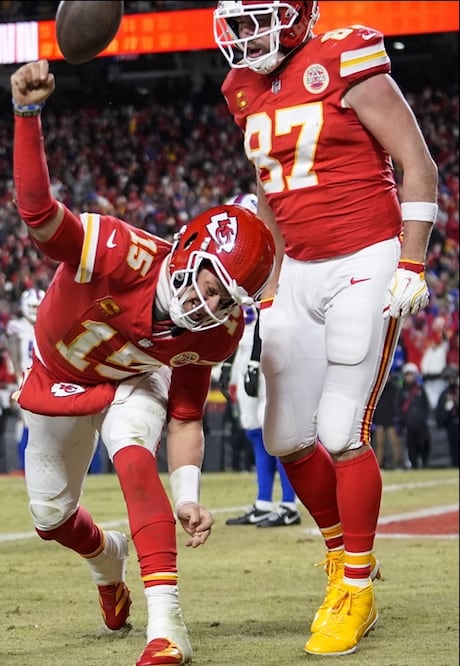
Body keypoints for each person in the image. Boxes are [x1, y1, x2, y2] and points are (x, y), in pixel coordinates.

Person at [10, 59, 277, 666]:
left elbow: (185, 414)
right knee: (50, 516)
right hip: (59, 376)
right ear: (189, 248)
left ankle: (167, 627)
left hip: (130, 378)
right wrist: (27, 115)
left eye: (220, 300)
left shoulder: (215, 333)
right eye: (208, 282)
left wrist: (188, 493)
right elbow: (38, 215)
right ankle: (109, 560)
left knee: (133, 454)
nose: (204, 303)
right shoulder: (119, 253)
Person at [214, 1, 439, 655]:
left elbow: (417, 164)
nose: (242, 33)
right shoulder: (241, 86)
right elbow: (268, 188)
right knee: (285, 436)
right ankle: (343, 557)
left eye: (256, 17)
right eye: (237, 19)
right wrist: (268, 272)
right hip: (299, 270)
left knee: (342, 433)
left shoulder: (346, 54)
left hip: (365, 258)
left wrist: (411, 259)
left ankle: (358, 590)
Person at [221, 194, 300, 528]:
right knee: (253, 427)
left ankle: (289, 505)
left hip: (271, 345)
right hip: (243, 350)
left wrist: (255, 360)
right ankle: (264, 501)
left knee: (277, 428)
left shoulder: (278, 259)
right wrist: (227, 365)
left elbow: (274, 314)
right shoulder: (234, 264)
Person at [7, 288, 43, 473]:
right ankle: (25, 466)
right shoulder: (17, 325)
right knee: (28, 423)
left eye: (38, 307)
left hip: (45, 379)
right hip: (25, 378)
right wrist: (16, 376)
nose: (35, 311)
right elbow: (13, 350)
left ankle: (39, 466)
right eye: (31, 307)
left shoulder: (48, 323)